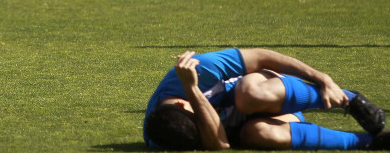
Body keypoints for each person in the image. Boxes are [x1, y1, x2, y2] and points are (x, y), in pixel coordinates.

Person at [144, 48, 388, 150]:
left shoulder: (197, 70)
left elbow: (261, 57)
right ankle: (369, 142)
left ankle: (348, 99)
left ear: (179, 103)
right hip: (263, 122)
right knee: (258, 134)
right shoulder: (162, 136)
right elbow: (220, 145)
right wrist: (194, 93)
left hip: (266, 90)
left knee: (248, 96)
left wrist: (323, 79)